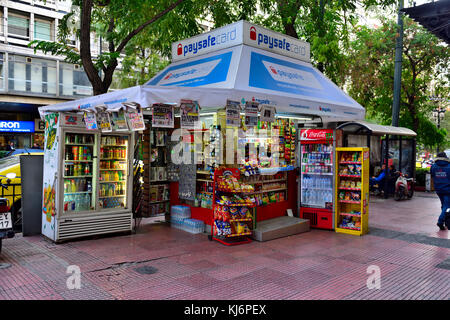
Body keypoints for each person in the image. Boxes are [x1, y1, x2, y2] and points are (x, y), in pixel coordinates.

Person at [430, 152, 450, 230]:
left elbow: (432, 176)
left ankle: (444, 220)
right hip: (448, 190)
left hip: (438, 189)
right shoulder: (449, 166)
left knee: (443, 205)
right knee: (446, 206)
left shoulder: (433, 166)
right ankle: (440, 221)